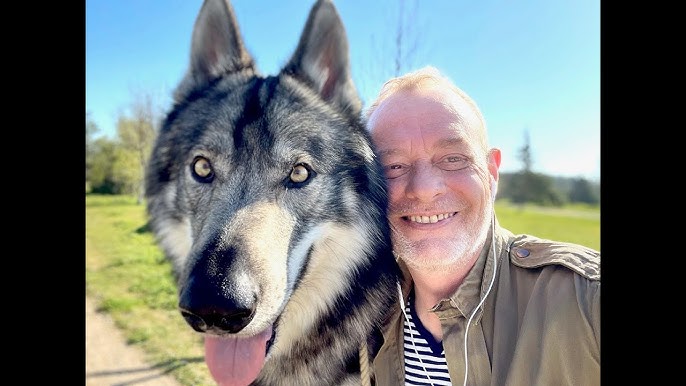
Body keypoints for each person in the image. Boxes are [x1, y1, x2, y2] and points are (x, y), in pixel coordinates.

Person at [361, 66, 600, 386]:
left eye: (452, 158)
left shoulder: (585, 299)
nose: (425, 188)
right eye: (393, 166)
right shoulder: (360, 318)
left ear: (491, 173)